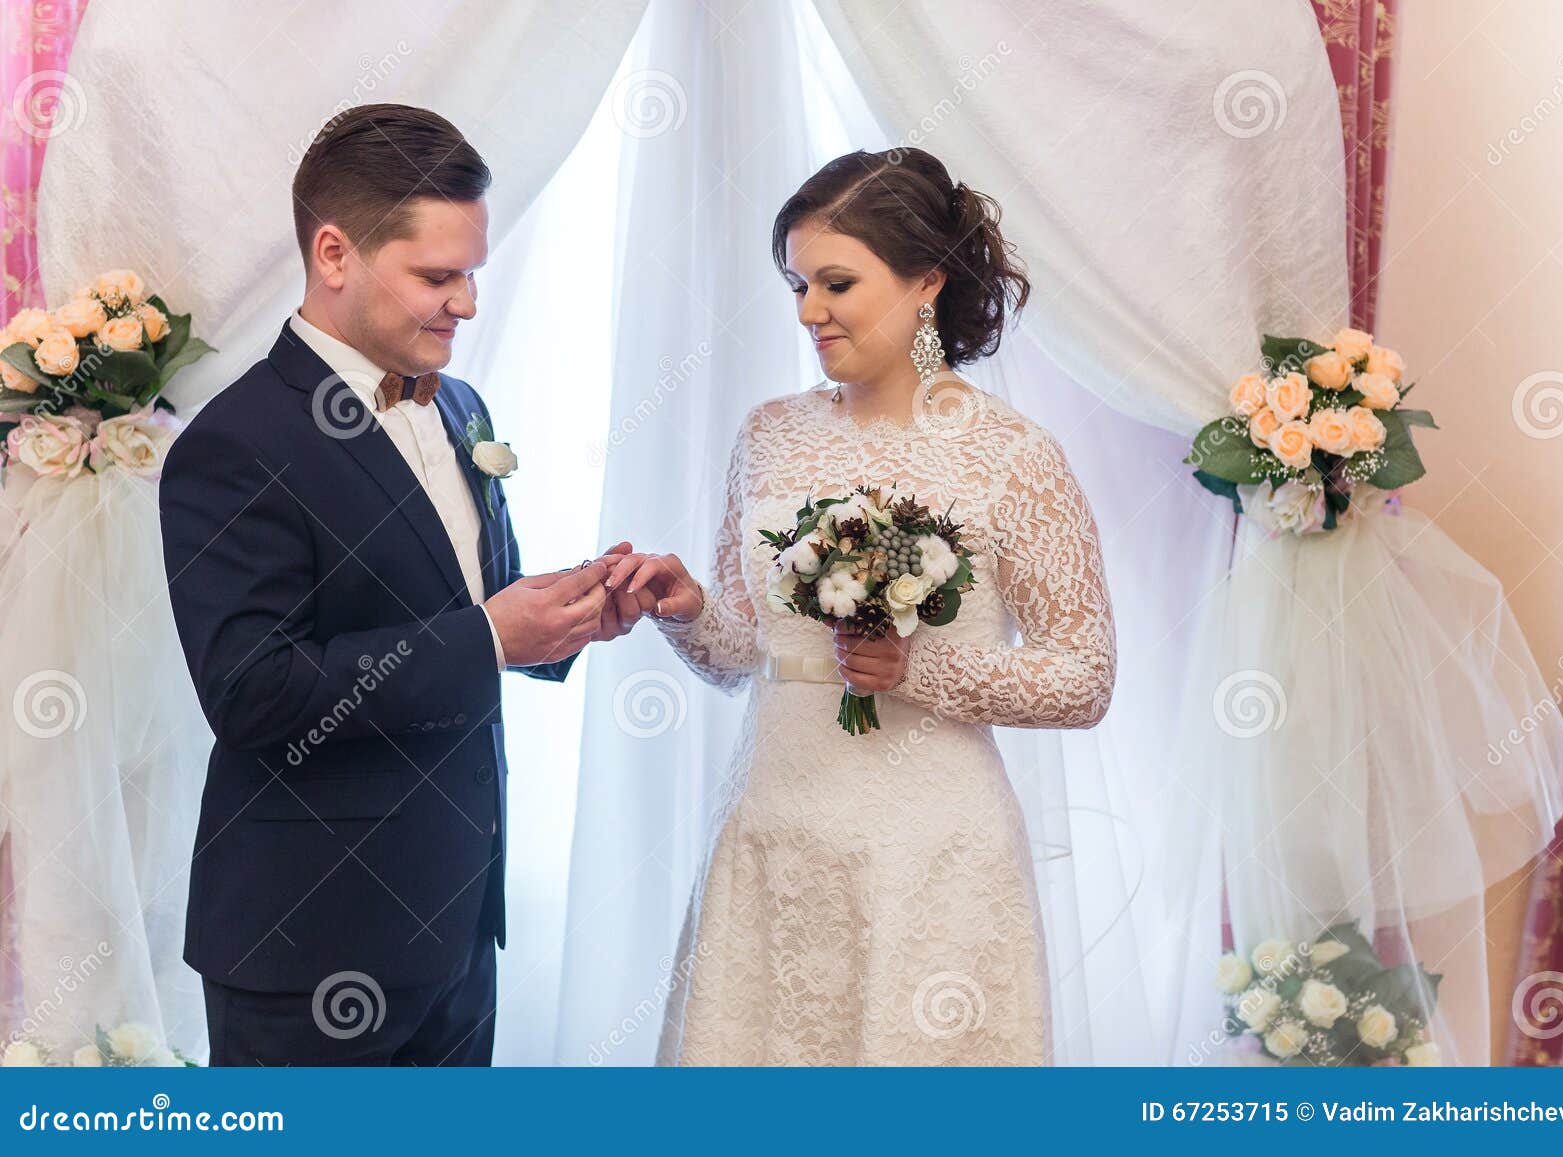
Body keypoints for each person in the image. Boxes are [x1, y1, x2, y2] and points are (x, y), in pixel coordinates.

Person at [607, 148, 1118, 1064]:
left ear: (928, 279)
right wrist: (687, 608)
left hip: (935, 856)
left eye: (836, 282)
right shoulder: (769, 436)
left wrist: (921, 668)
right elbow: (745, 656)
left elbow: (1083, 679)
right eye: (799, 284)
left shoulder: (1011, 455)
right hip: (774, 833)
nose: (809, 311)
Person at [158, 103, 644, 1065]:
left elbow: (465, 602)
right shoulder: (232, 444)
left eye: (472, 273)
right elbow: (254, 693)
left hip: (461, 928)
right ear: (334, 254)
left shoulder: (461, 404)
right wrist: (493, 638)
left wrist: (581, 607)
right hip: (309, 942)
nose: (466, 303)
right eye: (439, 275)